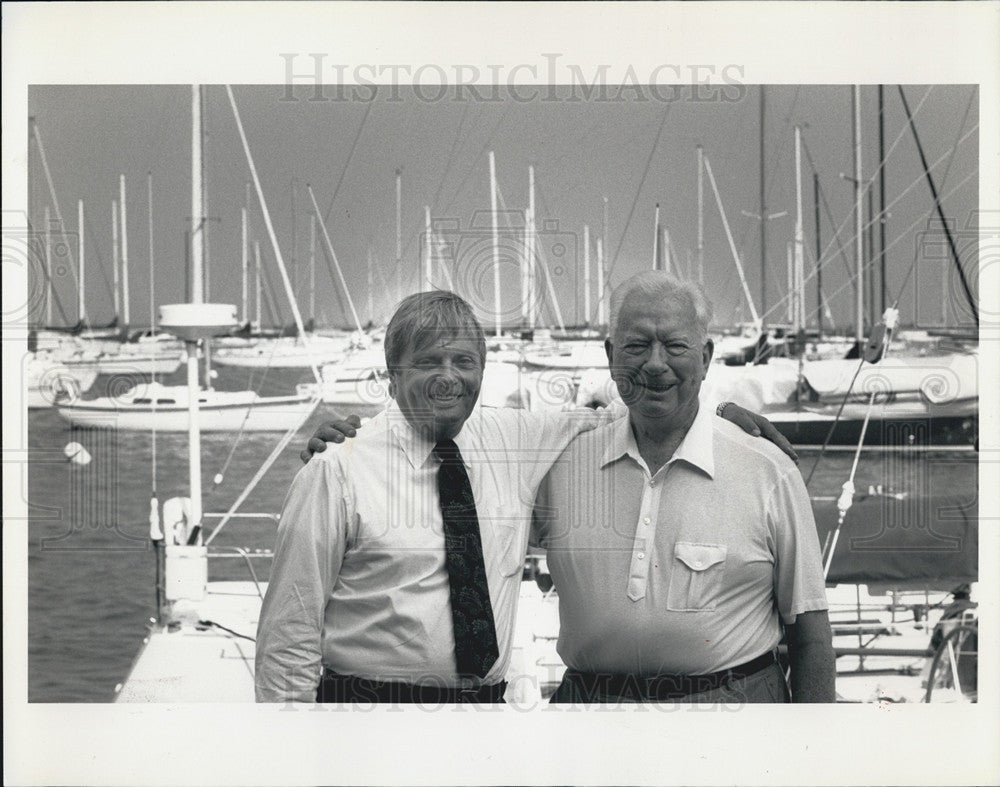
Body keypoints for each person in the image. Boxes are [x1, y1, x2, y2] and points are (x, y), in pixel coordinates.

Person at [259, 289, 793, 704]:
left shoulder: (513, 440)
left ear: (482, 372)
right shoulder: (337, 471)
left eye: (464, 362)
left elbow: (627, 409)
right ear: (391, 375)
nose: (449, 378)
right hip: (365, 721)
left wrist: (719, 415)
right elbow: (289, 636)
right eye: (428, 362)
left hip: (484, 724)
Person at [535, 271, 834, 703]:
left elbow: (811, 641)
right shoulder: (561, 464)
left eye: (675, 346)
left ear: (706, 356)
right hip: (590, 722)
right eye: (637, 345)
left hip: (732, 724)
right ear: (610, 354)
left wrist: (810, 758)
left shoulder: (768, 471)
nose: (655, 364)